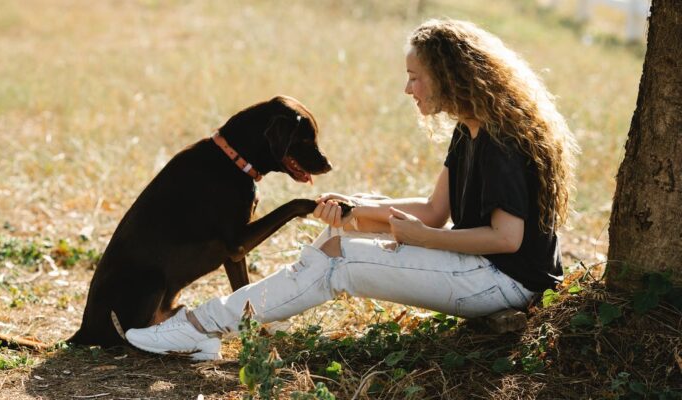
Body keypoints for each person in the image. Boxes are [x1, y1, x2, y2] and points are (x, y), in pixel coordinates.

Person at [124, 18, 578, 361]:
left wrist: (421, 238)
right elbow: (434, 209)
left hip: (505, 282)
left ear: (451, 76)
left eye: (416, 77)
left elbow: (506, 239)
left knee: (340, 260)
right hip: (480, 266)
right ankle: (204, 334)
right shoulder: (469, 131)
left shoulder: (502, 141)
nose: (408, 89)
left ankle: (197, 324)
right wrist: (356, 209)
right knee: (335, 239)